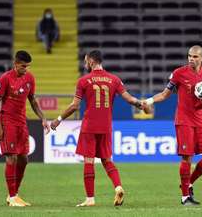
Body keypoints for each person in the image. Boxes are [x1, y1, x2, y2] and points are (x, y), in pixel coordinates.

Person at [50, 50, 144, 207]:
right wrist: (140, 103)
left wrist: (59, 119)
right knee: (107, 160)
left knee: (88, 161)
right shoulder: (114, 79)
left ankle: (90, 199)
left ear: (91, 62)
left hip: (89, 126)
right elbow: (128, 98)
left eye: (86, 61)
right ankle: (118, 187)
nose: (84, 64)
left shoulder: (84, 81)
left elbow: (74, 106)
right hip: (106, 126)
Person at [143, 45, 202, 206]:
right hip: (184, 121)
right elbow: (164, 94)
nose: (191, 59)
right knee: (187, 157)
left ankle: (188, 182)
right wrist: (149, 101)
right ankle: (185, 197)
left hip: (201, 121)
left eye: (195, 57)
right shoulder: (179, 73)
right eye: (190, 56)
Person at [0, 50, 50, 207]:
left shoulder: (29, 78)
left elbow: (33, 100)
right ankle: (12, 197)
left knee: (24, 159)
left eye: (28, 66)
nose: (26, 69)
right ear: (15, 64)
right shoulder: (5, 79)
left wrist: (43, 118)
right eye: (24, 66)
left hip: (21, 122)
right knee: (12, 157)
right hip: (7, 122)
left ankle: (14, 195)